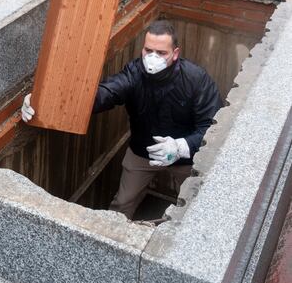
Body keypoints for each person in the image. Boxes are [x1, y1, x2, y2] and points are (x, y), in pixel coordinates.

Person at [22, 20, 222, 220]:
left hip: (185, 156)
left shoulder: (196, 79)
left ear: (175, 53)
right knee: (122, 203)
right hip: (143, 150)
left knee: (193, 207)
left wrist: (180, 147)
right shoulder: (135, 73)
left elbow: (212, 126)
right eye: (148, 50)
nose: (153, 58)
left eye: (161, 53)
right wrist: (45, 98)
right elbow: (105, 93)